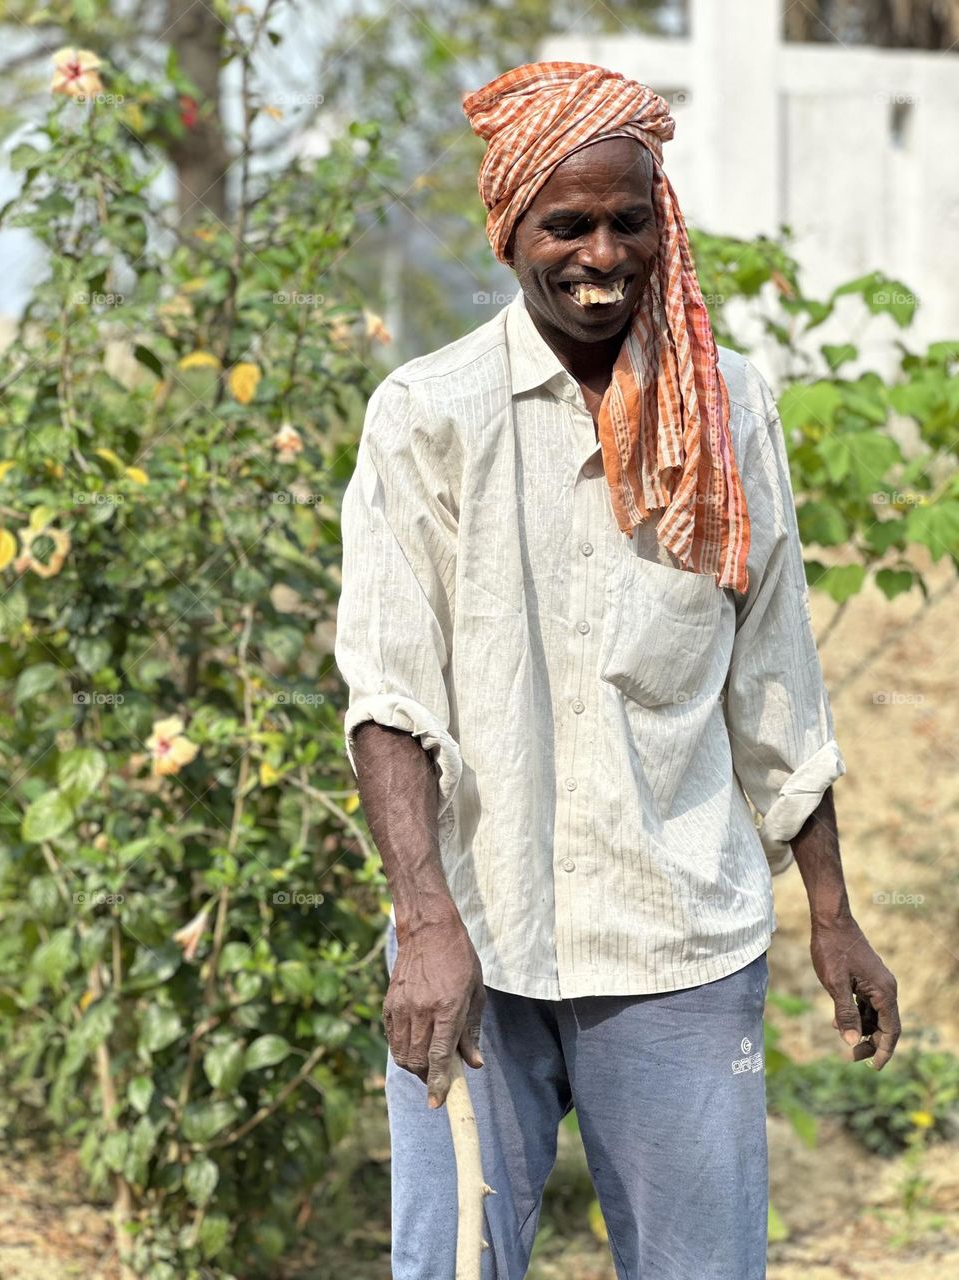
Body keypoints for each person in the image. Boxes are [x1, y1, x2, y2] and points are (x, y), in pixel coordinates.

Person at [334, 61, 900, 1280]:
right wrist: (425, 920)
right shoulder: (429, 415)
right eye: (568, 224)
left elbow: (774, 676)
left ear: (662, 223)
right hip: (473, 943)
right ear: (511, 231)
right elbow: (390, 695)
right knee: (450, 1265)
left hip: (677, 941)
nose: (602, 252)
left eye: (628, 221)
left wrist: (835, 914)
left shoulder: (730, 409)